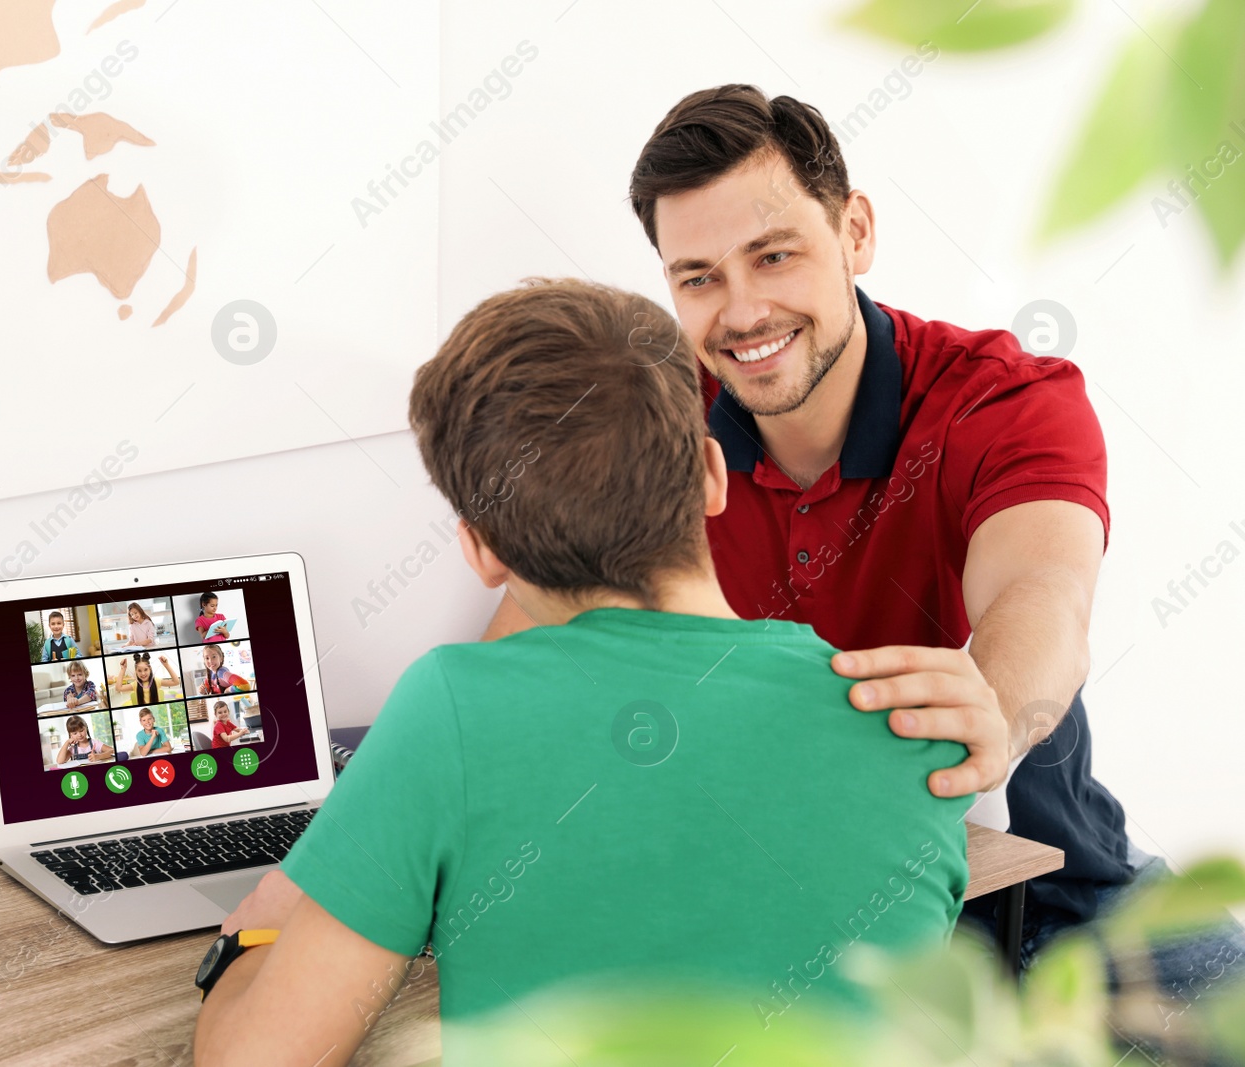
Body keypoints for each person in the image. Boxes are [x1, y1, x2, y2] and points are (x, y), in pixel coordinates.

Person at [522, 82, 1240, 987]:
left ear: (854, 231)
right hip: (817, 931)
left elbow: (1044, 599)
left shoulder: (1004, 398)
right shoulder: (655, 436)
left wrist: (988, 712)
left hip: (1062, 897)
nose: (741, 313)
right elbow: (526, 649)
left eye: (774, 255)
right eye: (698, 278)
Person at [192, 279, 972, 1066]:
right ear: (710, 472)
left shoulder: (454, 708)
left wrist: (249, 940)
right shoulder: (925, 724)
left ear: (482, 550)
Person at [110, 652, 181, 705]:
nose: (143, 673)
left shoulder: (156, 681)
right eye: (139, 671)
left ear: (150, 669)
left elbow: (176, 682)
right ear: (136, 672)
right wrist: (123, 669)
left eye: (145, 669)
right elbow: (118, 688)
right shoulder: (135, 684)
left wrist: (166, 665)